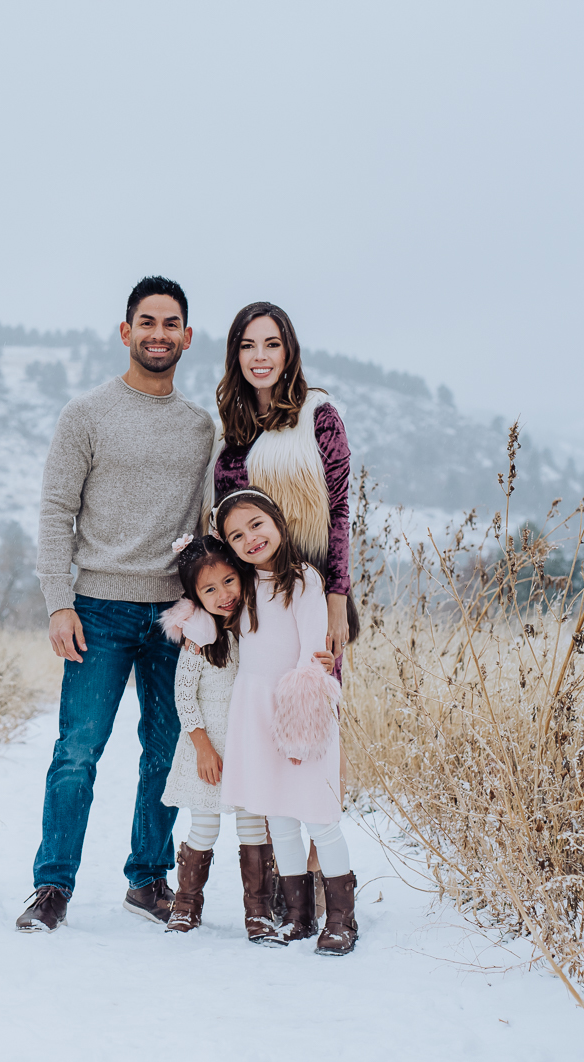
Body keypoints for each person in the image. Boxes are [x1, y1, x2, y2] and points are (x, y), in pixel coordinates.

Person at [16, 276, 217, 933]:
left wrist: (209, 612)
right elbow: (56, 509)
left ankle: (147, 879)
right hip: (96, 609)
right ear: (126, 331)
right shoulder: (87, 414)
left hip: (173, 617)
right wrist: (58, 601)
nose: (159, 333)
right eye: (146, 321)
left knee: (166, 753)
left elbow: (212, 519)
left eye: (171, 324)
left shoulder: (199, 429)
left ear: (187, 338)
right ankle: (52, 886)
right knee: (77, 752)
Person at [213, 300, 356, 896]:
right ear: (235, 354)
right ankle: (281, 889)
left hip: (314, 596)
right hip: (256, 610)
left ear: (288, 349)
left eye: (271, 344)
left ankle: (328, 889)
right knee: (266, 743)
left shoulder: (319, 416)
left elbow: (343, 510)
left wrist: (338, 599)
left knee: (312, 739)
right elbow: (223, 527)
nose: (260, 357)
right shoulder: (231, 429)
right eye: (248, 346)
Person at [158, 534, 336, 940]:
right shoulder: (200, 639)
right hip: (208, 751)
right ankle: (186, 905)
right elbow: (183, 695)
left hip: (249, 746)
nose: (223, 595)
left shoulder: (256, 626)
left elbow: (291, 656)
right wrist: (202, 746)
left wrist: (320, 660)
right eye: (208, 589)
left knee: (253, 827)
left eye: (228, 582)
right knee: (203, 827)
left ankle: (257, 911)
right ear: (194, 596)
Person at [216, 487, 358, 955]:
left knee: (319, 815)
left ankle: (341, 918)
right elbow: (206, 623)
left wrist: (300, 728)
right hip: (255, 713)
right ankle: (298, 916)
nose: (250, 538)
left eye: (256, 524)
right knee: (278, 819)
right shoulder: (241, 588)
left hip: (300, 710)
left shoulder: (304, 581)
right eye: (236, 535)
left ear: (277, 520)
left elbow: (311, 656)